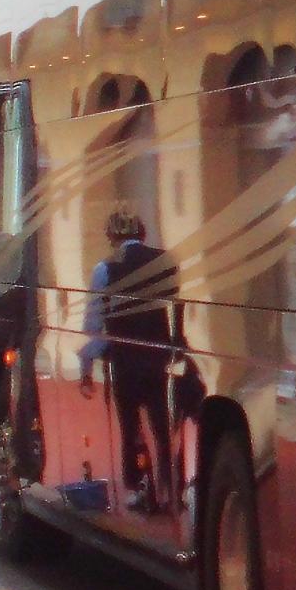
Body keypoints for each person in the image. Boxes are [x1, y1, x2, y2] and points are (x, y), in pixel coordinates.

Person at [79, 209, 181, 512]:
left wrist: (86, 366)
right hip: (159, 358)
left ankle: (138, 487)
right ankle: (170, 486)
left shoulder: (105, 269)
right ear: (143, 231)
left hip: (125, 361)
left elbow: (94, 326)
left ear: (112, 236)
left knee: (131, 427)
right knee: (163, 426)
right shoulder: (165, 260)